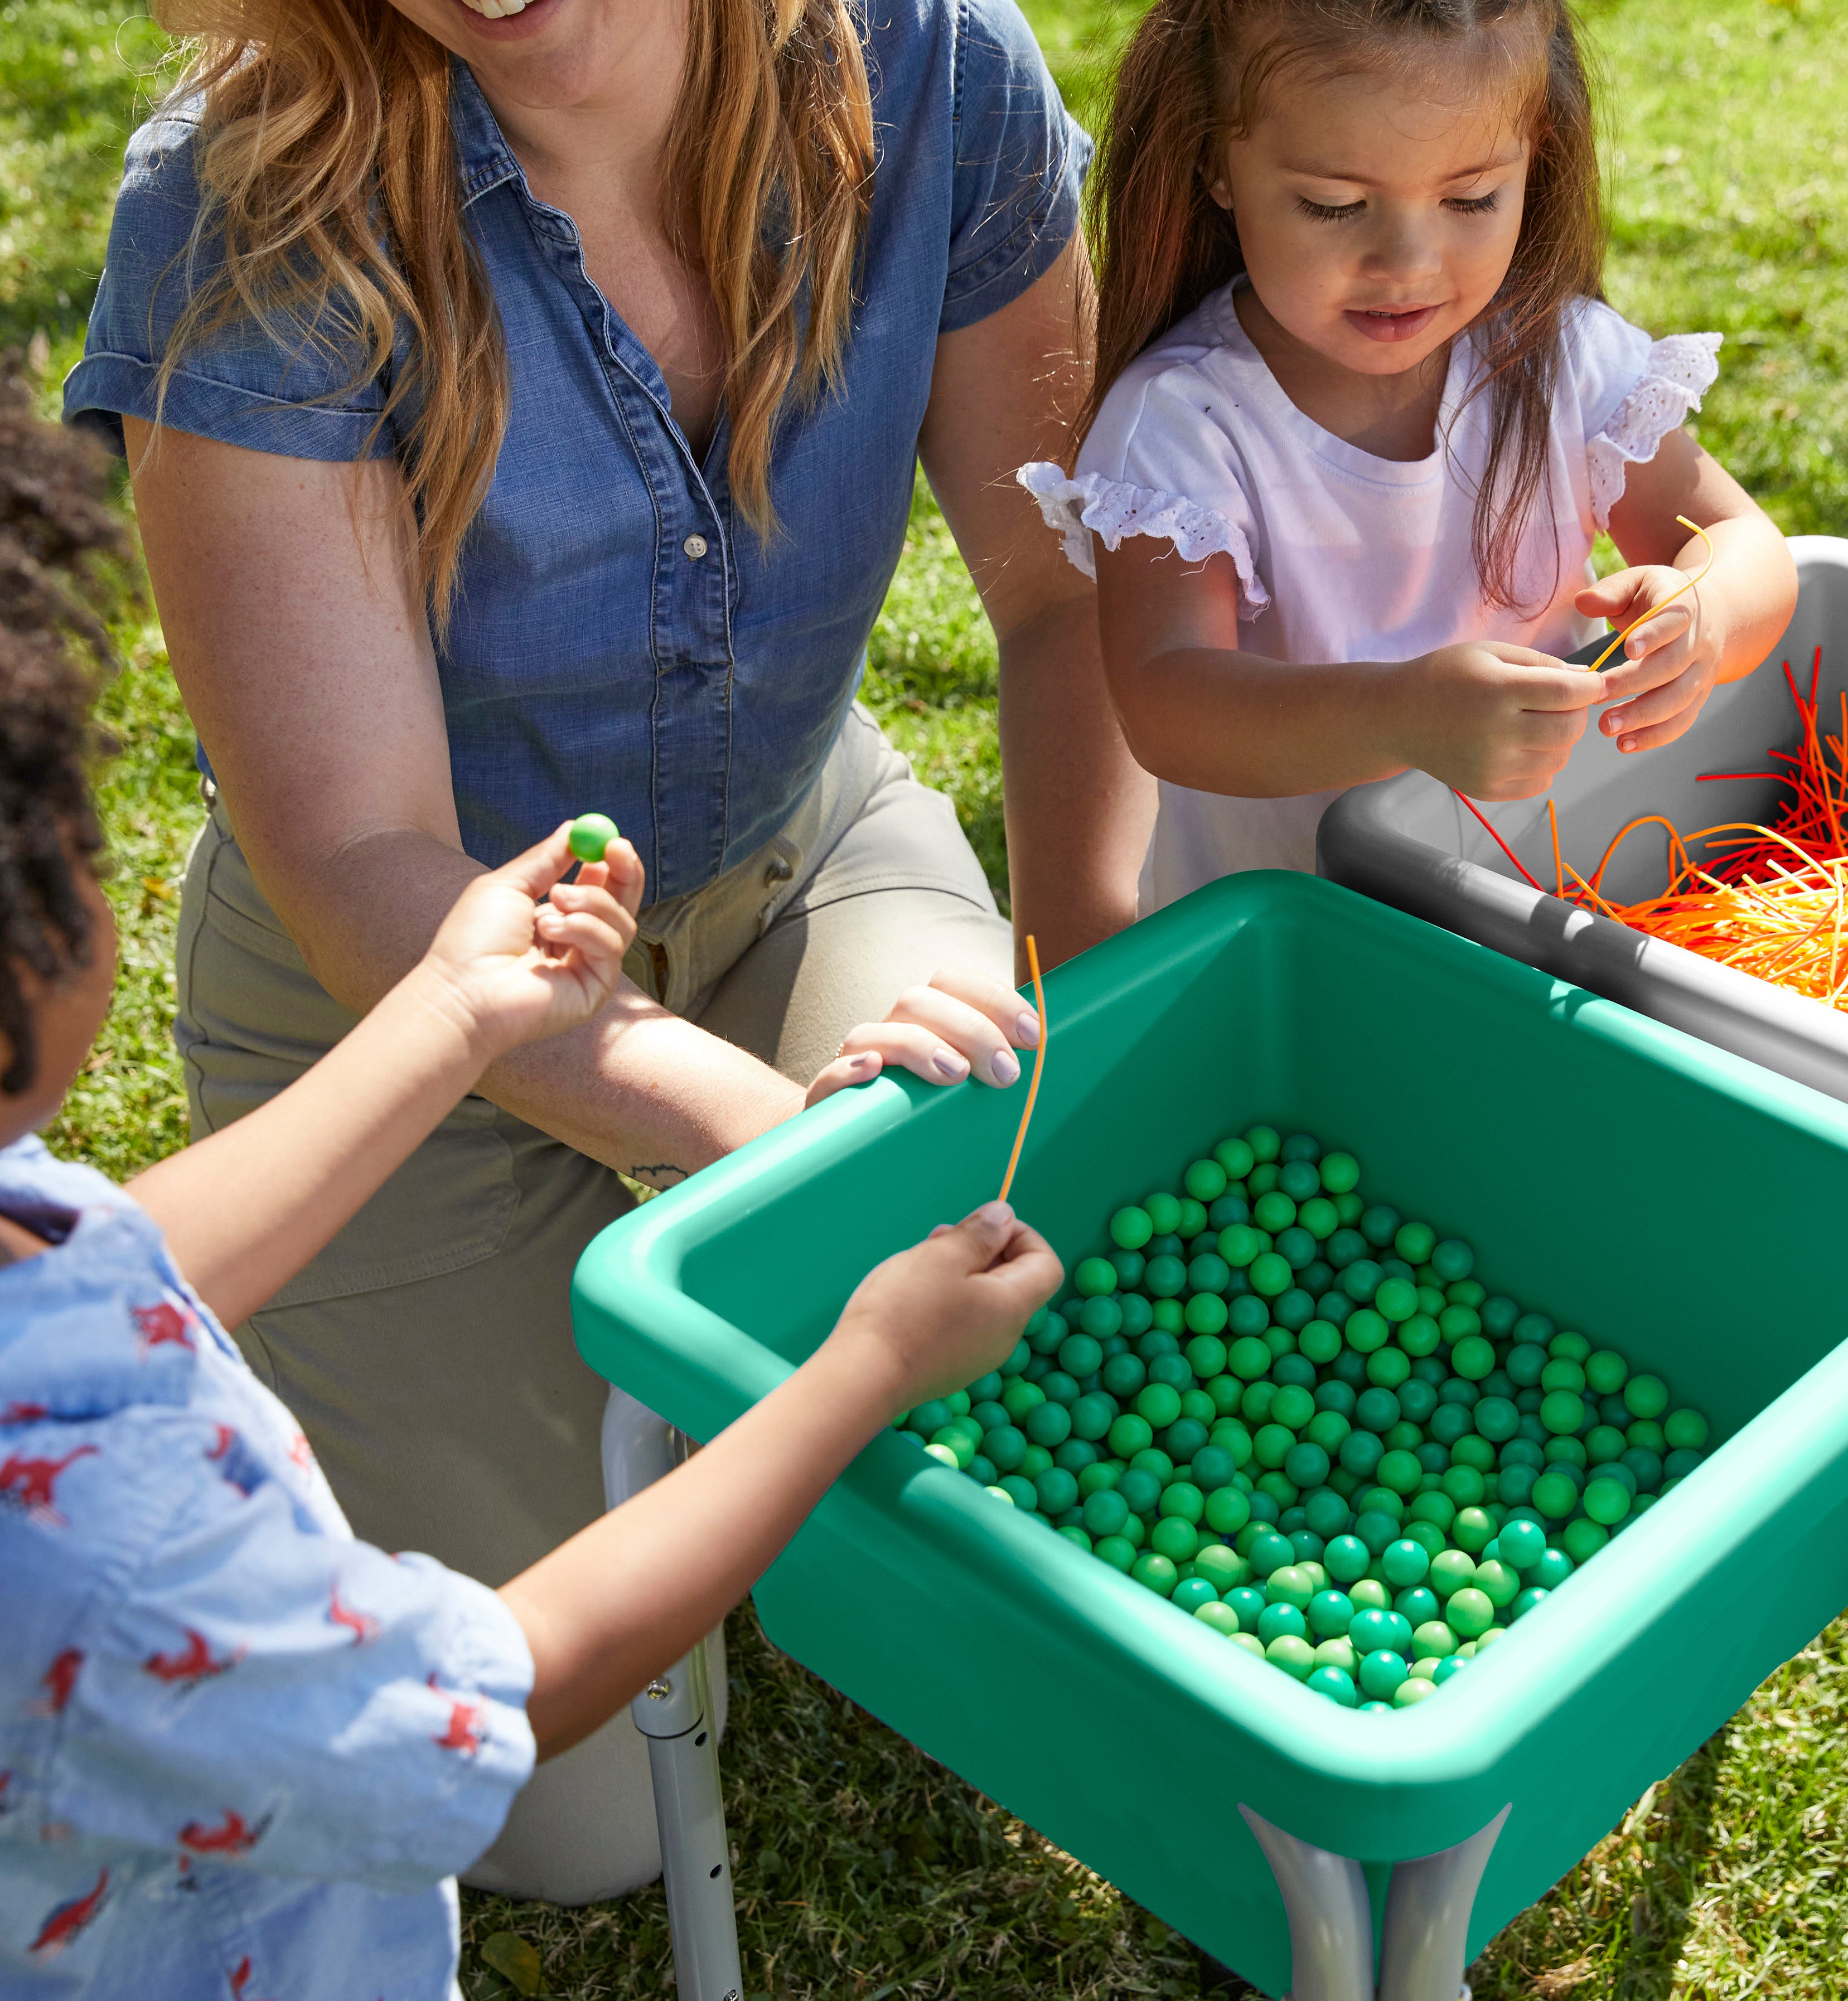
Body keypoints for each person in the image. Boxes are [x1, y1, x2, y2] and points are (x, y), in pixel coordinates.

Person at [62, 0, 1151, 1895]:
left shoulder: (930, 61)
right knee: (572, 1826)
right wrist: (776, 1139)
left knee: (1020, 1352)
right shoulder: (245, 203)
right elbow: (365, 865)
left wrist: (1094, 1005)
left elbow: (1061, 596)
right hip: (397, 1006)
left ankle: (720, 1400)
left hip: (789, 858)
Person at [0, 370, 1065, 1996]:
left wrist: (446, 1011)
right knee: (586, 1816)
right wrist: (861, 1369)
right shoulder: (114, 1551)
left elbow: (118, 1263)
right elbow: (497, 1686)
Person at [1022, 0, 1797, 913]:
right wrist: (1400, 714)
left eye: (1470, 197)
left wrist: (1701, 614)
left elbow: (1745, 545)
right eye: (1334, 205)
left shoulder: (1557, 361)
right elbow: (1168, 703)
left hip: (1537, 917)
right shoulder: (1187, 423)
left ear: (1535, 155)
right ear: (1216, 163)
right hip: (1298, 952)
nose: (1408, 262)